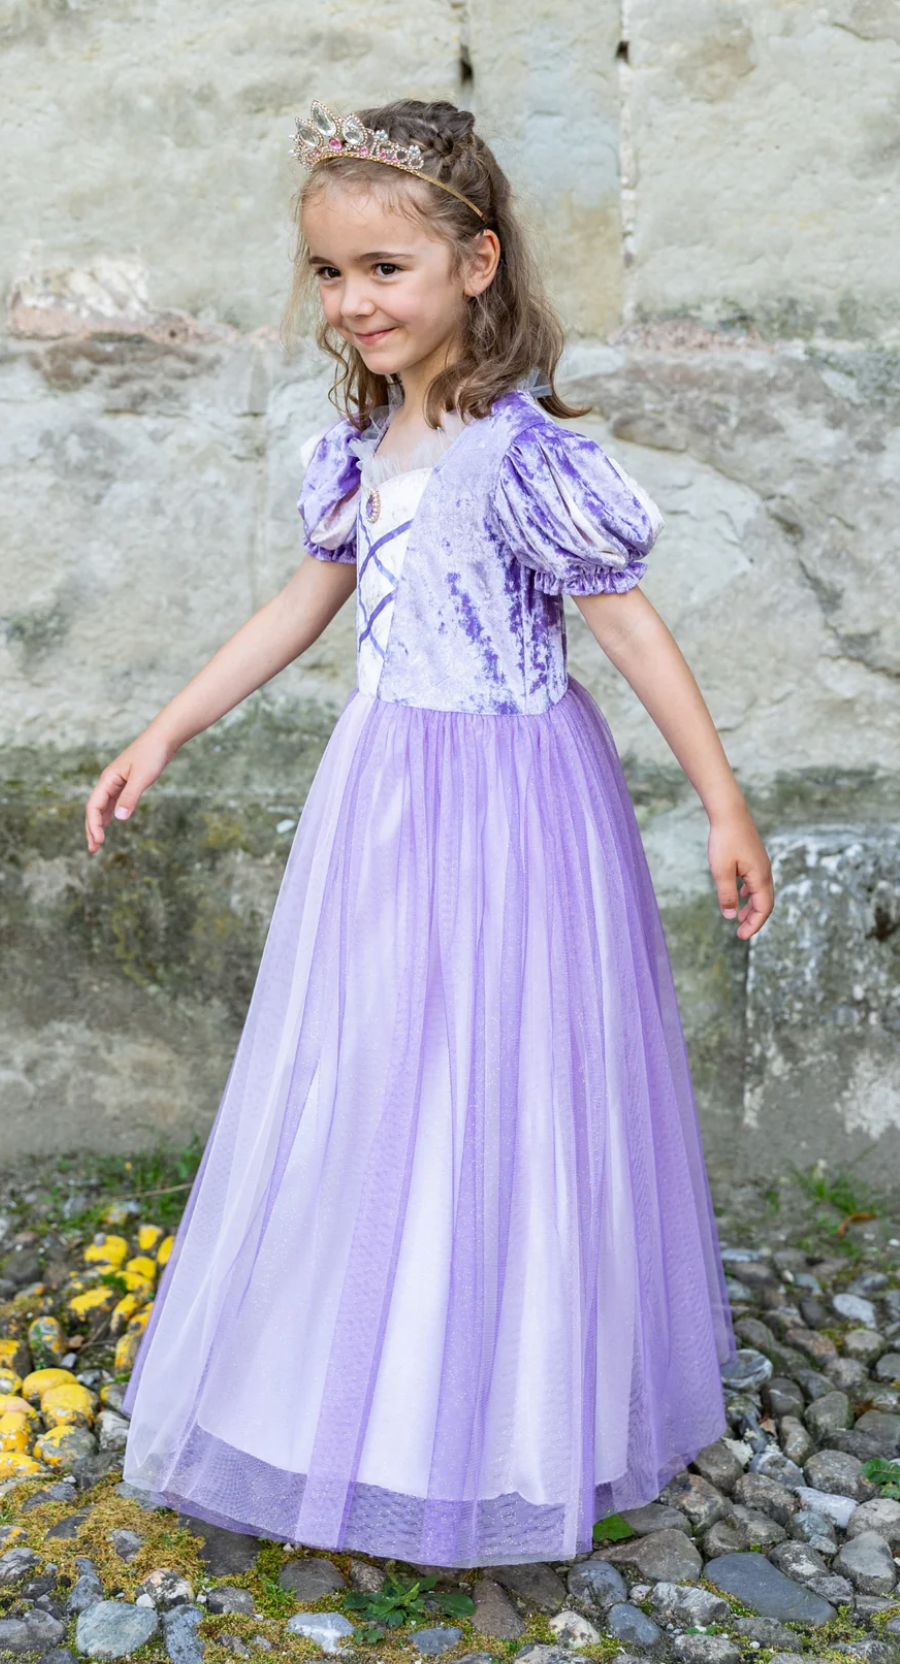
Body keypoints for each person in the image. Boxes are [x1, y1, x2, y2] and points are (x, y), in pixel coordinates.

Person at [84, 96, 772, 1569]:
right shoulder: (361, 442)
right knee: (371, 1060)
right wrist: (166, 727)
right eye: (331, 273)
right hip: (385, 789)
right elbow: (306, 597)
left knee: (501, 1070)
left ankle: (503, 1409)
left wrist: (722, 802)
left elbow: (629, 629)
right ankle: (357, 1388)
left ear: (478, 261)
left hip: (515, 800)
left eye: (385, 268)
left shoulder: (520, 453)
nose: (353, 301)